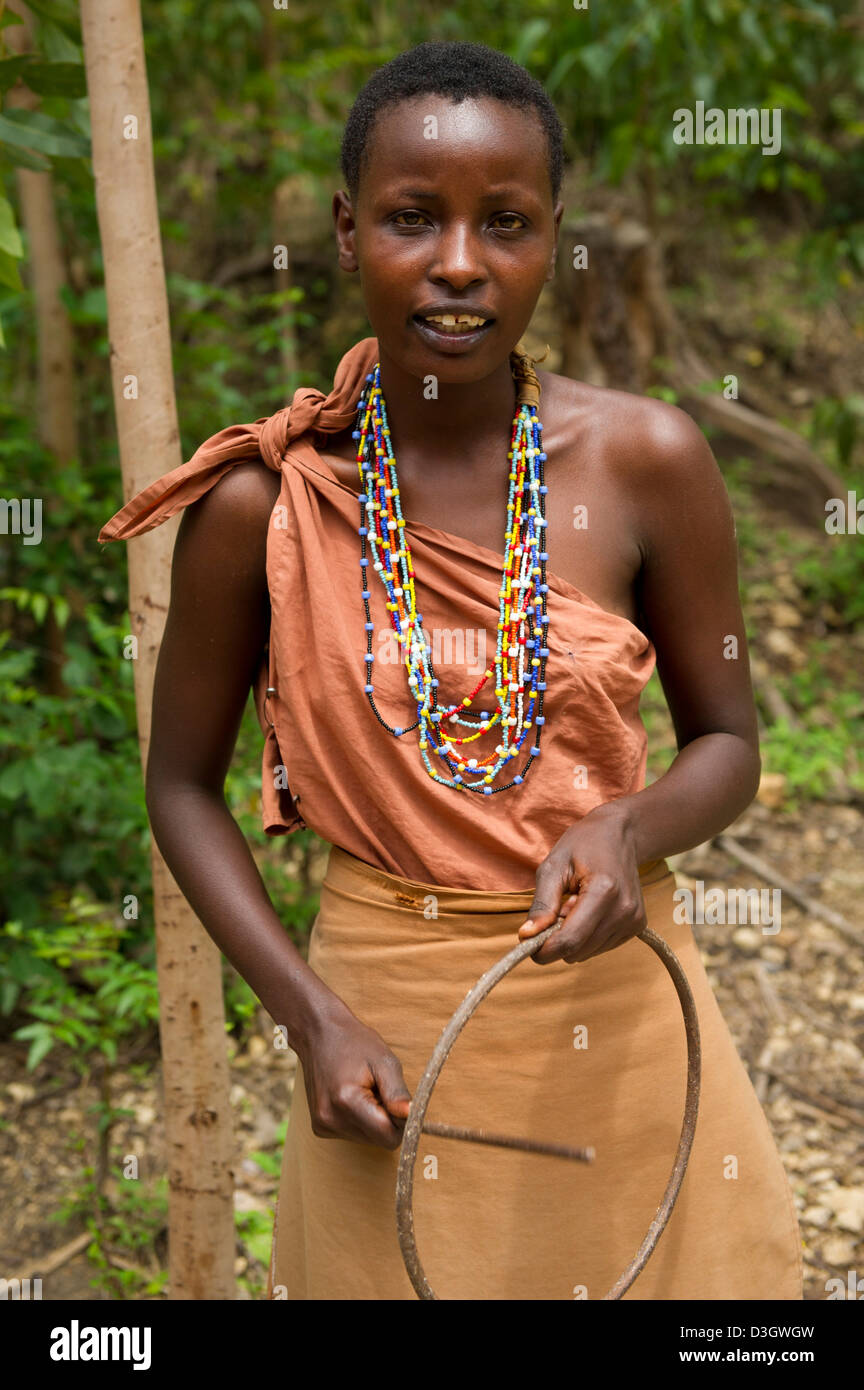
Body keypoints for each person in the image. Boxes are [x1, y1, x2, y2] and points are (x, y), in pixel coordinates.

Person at [98, 41, 803, 1301]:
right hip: (385, 1047)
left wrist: (628, 829)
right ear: (346, 227)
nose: (462, 262)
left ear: (554, 237)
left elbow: (731, 745)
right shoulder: (266, 501)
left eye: (509, 222)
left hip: (626, 1026)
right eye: (414, 218)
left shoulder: (647, 461)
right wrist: (308, 1017)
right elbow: (181, 788)